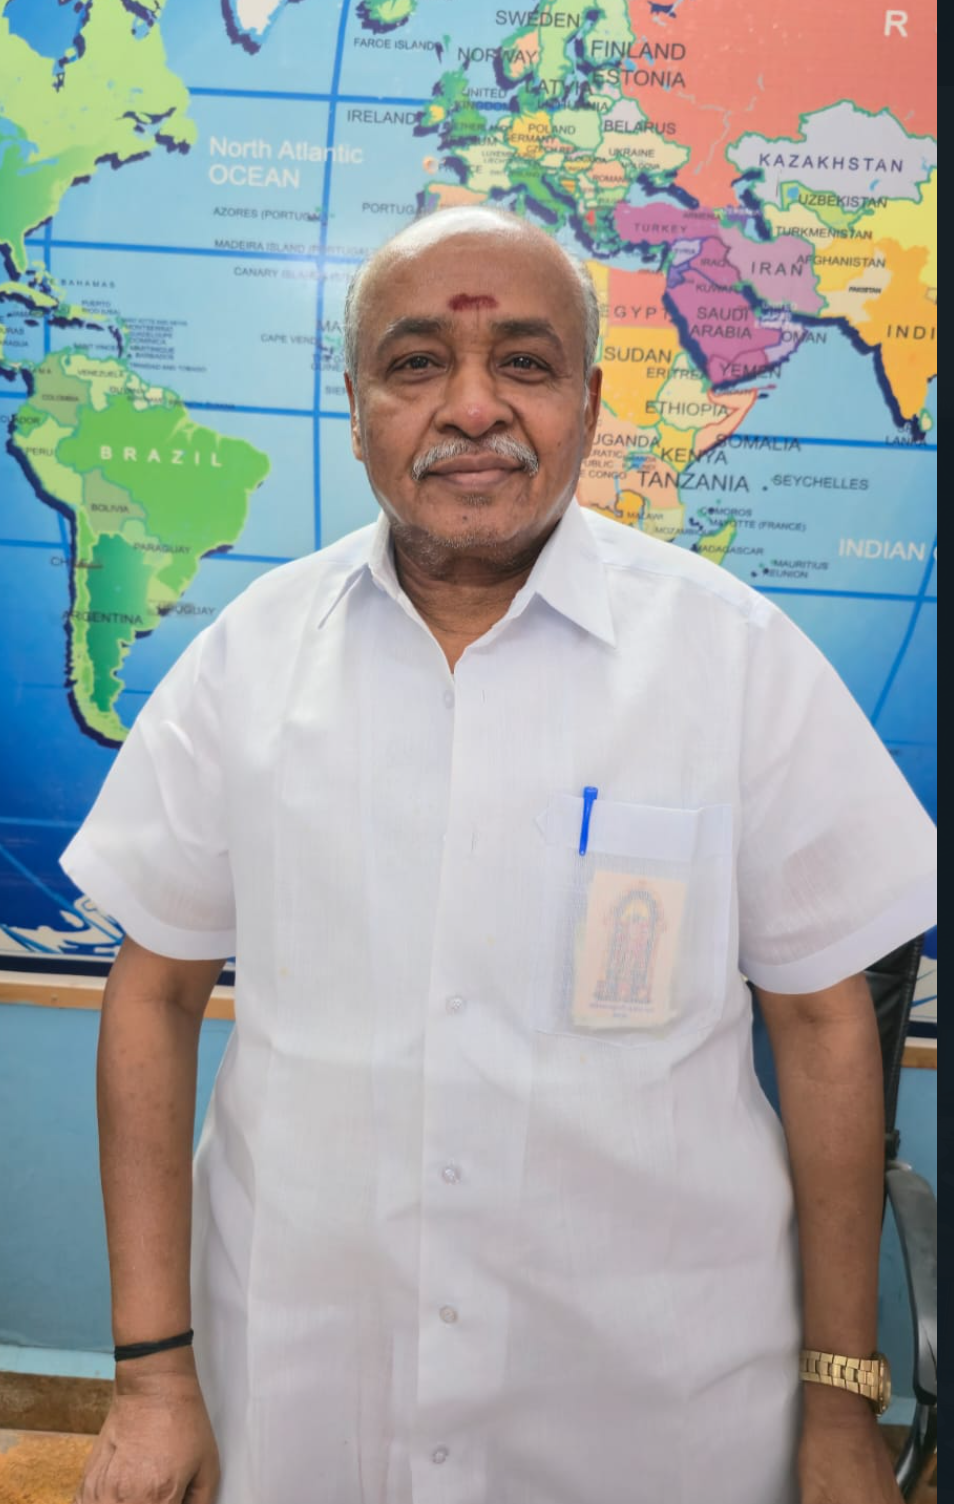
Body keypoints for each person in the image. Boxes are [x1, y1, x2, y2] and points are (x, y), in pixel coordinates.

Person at [62, 207, 936, 1504]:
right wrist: (150, 1378)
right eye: (416, 364)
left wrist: (838, 1398)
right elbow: (152, 996)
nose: (472, 408)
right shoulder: (249, 661)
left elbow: (821, 1025)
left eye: (523, 363)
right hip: (305, 1382)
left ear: (590, 403)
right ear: (355, 407)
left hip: (654, 1402)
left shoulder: (735, 662)